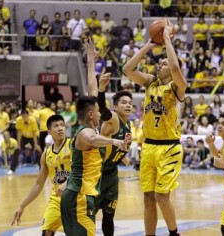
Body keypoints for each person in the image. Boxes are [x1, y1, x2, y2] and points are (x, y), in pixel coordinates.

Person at [123, 20, 187, 236]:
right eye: (158, 63)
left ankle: (173, 232)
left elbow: (176, 67)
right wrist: (149, 45)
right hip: (149, 147)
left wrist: (167, 39)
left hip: (169, 148)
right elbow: (127, 69)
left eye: (163, 63)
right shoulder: (150, 82)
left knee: (162, 196)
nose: (160, 65)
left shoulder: (177, 86)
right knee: (148, 197)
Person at [60, 38, 128, 236]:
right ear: (91, 115)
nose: (101, 114)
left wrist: (91, 62)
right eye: (98, 112)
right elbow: (92, 140)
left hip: (77, 195)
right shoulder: (84, 133)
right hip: (80, 197)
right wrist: (115, 141)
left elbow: (91, 89)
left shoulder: (91, 126)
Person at [85, 36, 133, 236]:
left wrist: (123, 155)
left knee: (109, 215)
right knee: (88, 216)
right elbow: (102, 108)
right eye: (123, 102)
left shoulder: (127, 123)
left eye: (130, 103)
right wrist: (102, 89)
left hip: (111, 173)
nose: (128, 105)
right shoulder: (112, 117)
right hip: (95, 172)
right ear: (116, 106)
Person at [11, 115, 72, 236]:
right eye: (56, 126)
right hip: (57, 199)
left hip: (76, 196)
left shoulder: (74, 145)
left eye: (62, 125)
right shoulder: (46, 155)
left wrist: (67, 183)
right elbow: (38, 184)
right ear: (49, 131)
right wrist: (22, 206)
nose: (60, 128)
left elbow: (83, 169)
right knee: (47, 231)